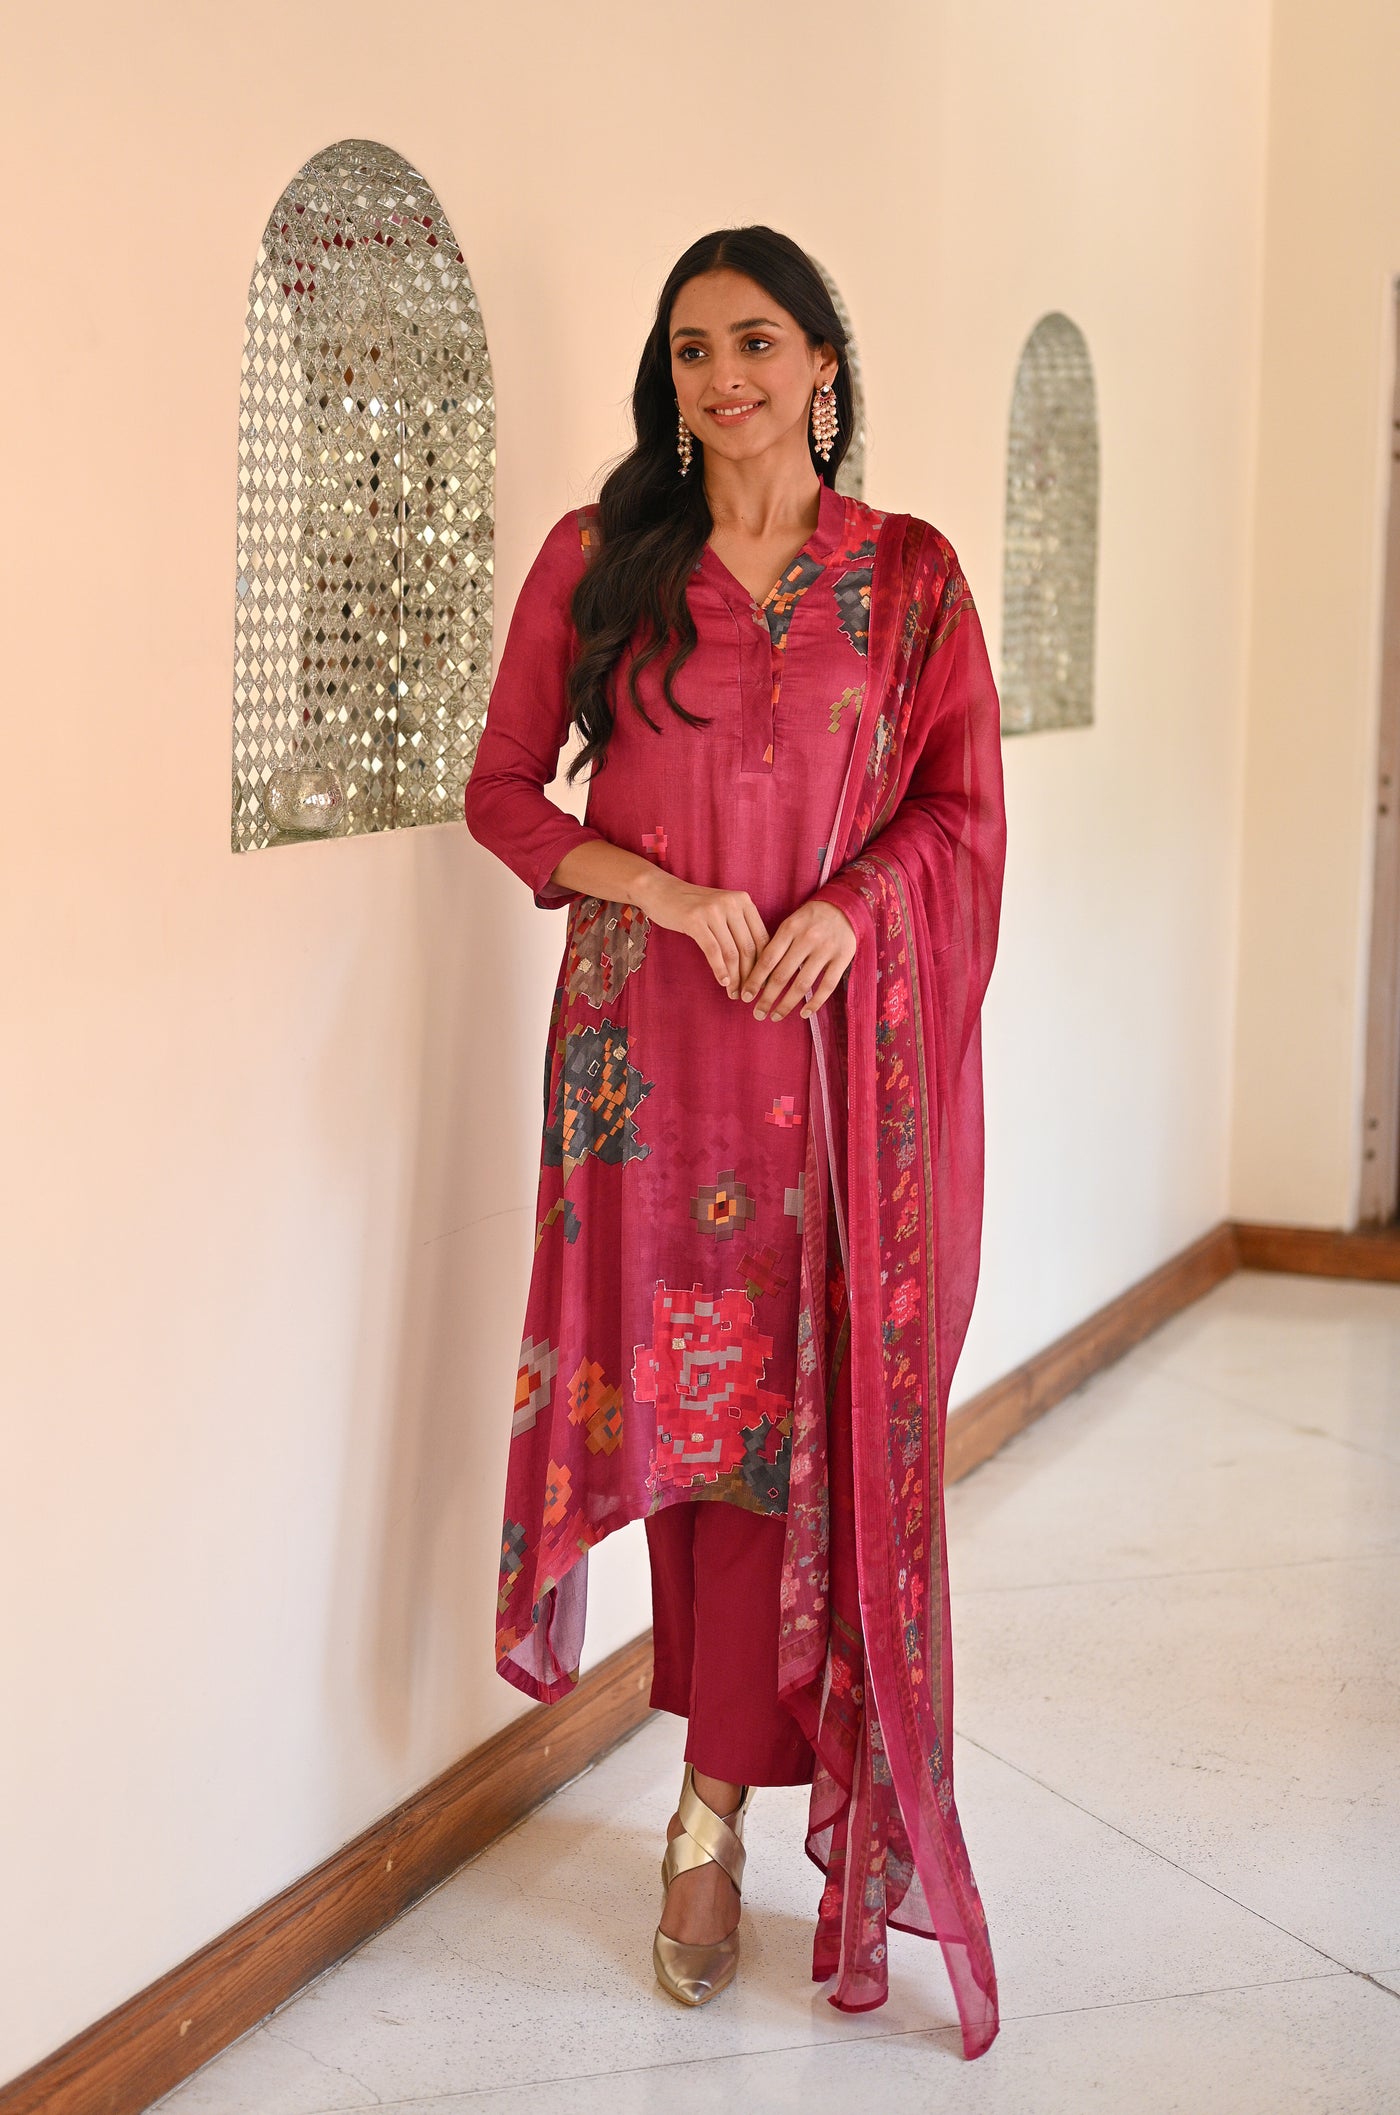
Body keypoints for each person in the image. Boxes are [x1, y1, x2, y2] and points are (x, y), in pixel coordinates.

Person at [464, 225, 1006, 2060]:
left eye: (758, 342)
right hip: (650, 1067)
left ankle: (715, 1813)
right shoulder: (601, 562)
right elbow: (501, 793)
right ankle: (710, 1811)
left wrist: (851, 909)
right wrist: (664, 891)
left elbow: (960, 809)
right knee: (695, 1428)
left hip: (842, 1071)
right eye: (693, 349)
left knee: (809, 1432)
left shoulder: (909, 581)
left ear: (823, 364)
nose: (725, 379)